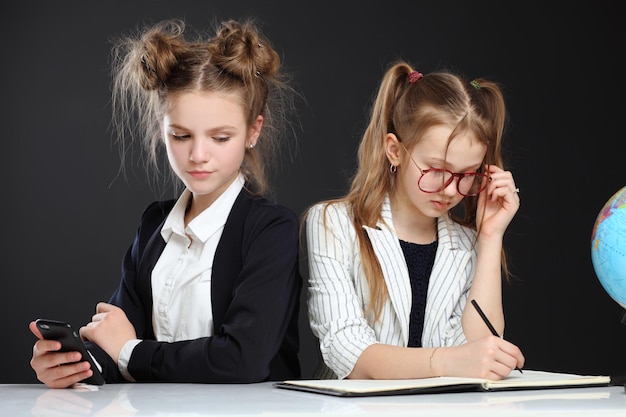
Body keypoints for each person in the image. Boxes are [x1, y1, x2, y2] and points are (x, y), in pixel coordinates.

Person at [29, 18, 302, 387]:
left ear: (253, 131)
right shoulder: (154, 224)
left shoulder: (271, 230)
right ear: (162, 127)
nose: (198, 155)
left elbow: (242, 361)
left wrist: (130, 351)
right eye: (181, 135)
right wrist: (77, 364)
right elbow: (117, 341)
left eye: (221, 138)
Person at [304, 62, 525, 380]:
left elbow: (480, 353)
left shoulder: (468, 245)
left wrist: (490, 237)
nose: (451, 190)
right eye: (436, 169)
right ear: (394, 150)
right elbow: (349, 353)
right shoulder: (332, 224)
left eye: (466, 175)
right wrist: (448, 363)